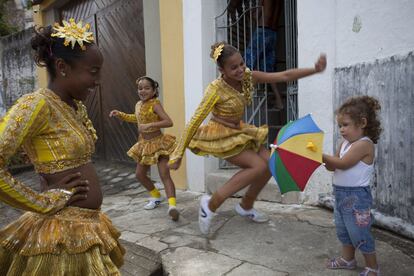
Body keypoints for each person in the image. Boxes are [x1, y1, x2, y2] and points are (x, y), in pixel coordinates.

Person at [0, 19, 124, 275]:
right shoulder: (35, 105)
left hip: (88, 227)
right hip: (60, 236)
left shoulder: (74, 105)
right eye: (93, 71)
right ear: (62, 66)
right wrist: (41, 202)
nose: (98, 80)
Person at [169, 42, 326, 235]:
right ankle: (210, 204)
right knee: (257, 166)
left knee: (271, 163)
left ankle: (246, 205)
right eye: (233, 67)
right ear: (222, 70)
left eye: (241, 64)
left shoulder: (248, 77)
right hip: (221, 135)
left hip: (240, 130)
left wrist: (314, 70)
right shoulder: (215, 89)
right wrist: (177, 154)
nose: (240, 69)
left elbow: (283, 76)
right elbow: (194, 121)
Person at [323, 96, 382, 276]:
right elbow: (334, 166)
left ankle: (373, 267)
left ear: (362, 123)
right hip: (340, 194)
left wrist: (320, 155)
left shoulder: (364, 144)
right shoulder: (344, 144)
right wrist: (324, 161)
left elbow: (343, 164)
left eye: (345, 125)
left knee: (359, 232)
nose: (341, 129)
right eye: (340, 125)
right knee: (344, 230)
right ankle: (348, 259)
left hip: (357, 197)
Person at [109, 77, 179, 221]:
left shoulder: (155, 104)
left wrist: (149, 126)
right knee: (140, 175)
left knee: (164, 174)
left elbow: (168, 122)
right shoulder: (138, 104)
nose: (143, 91)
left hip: (159, 144)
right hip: (145, 145)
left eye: (147, 88)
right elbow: (137, 118)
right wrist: (120, 115)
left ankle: (172, 206)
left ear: (154, 90)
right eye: (140, 88)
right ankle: (156, 196)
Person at [244, 0, 284, 110]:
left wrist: (250, 12)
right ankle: (279, 100)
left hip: (262, 31)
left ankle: (245, 96)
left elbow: (257, 17)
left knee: (247, 61)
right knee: (268, 70)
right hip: (273, 33)